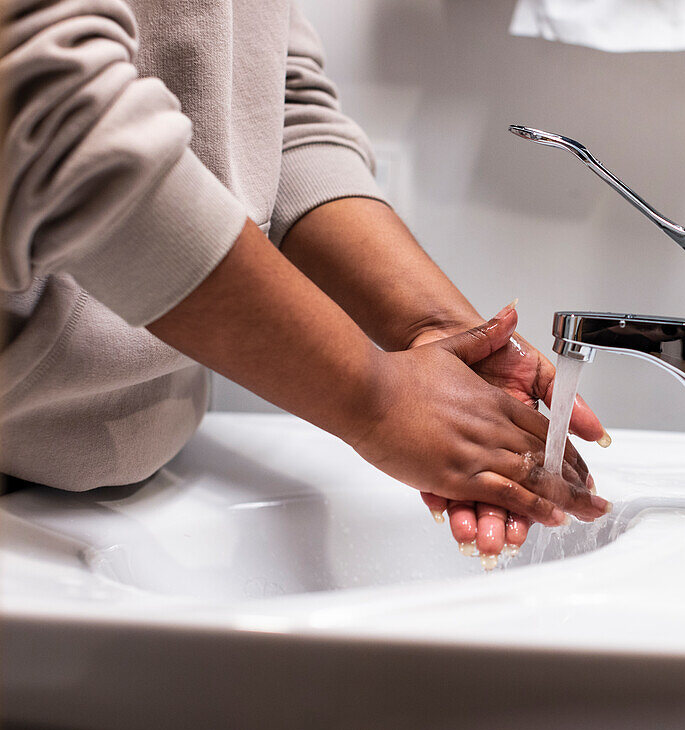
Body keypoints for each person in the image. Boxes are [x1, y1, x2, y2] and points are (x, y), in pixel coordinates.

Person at [0, 0, 612, 560]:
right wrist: (378, 398)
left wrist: (439, 332)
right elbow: (54, 118)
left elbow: (274, 113)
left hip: (129, 491)